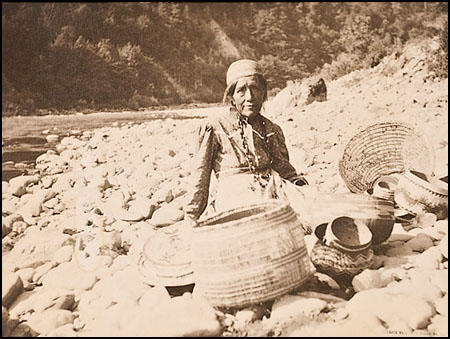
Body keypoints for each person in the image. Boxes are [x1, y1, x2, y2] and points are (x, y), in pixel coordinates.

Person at [183, 59, 317, 226]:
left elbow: (285, 169)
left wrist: (300, 188)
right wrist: (191, 216)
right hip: (234, 195)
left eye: (255, 88)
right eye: (241, 91)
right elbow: (200, 177)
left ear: (263, 93)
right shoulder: (215, 127)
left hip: (272, 190)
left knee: (315, 212)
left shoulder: (272, 128)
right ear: (231, 97)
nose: (250, 97)